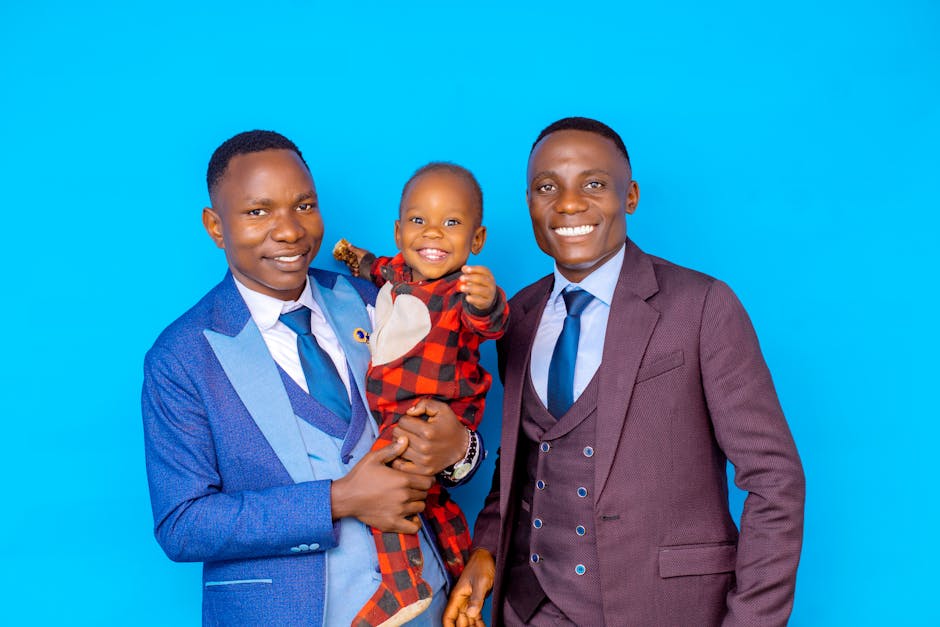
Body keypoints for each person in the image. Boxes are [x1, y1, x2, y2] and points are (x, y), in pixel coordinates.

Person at [445, 117, 806, 626]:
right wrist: (485, 552)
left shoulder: (702, 306)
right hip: (527, 610)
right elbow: (525, 462)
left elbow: (775, 480)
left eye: (594, 184)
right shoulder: (515, 315)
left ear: (630, 195)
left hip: (661, 609)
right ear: (529, 202)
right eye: (548, 187)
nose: (569, 204)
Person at [142, 130, 479, 626]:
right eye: (258, 212)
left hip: (425, 605)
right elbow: (183, 525)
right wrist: (339, 500)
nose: (290, 231)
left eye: (304, 205)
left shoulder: (374, 301)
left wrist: (459, 451)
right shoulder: (182, 357)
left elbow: (452, 410)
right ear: (216, 226)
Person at [333, 162, 509, 627]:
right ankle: (455, 573)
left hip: (426, 415)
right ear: (398, 230)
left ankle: (402, 584)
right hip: (396, 410)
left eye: (452, 223)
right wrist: (353, 258)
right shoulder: (398, 274)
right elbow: (376, 268)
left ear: (477, 240)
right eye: (418, 221)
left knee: (385, 487)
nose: (433, 233)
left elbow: (490, 323)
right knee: (431, 502)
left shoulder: (460, 292)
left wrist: (487, 300)